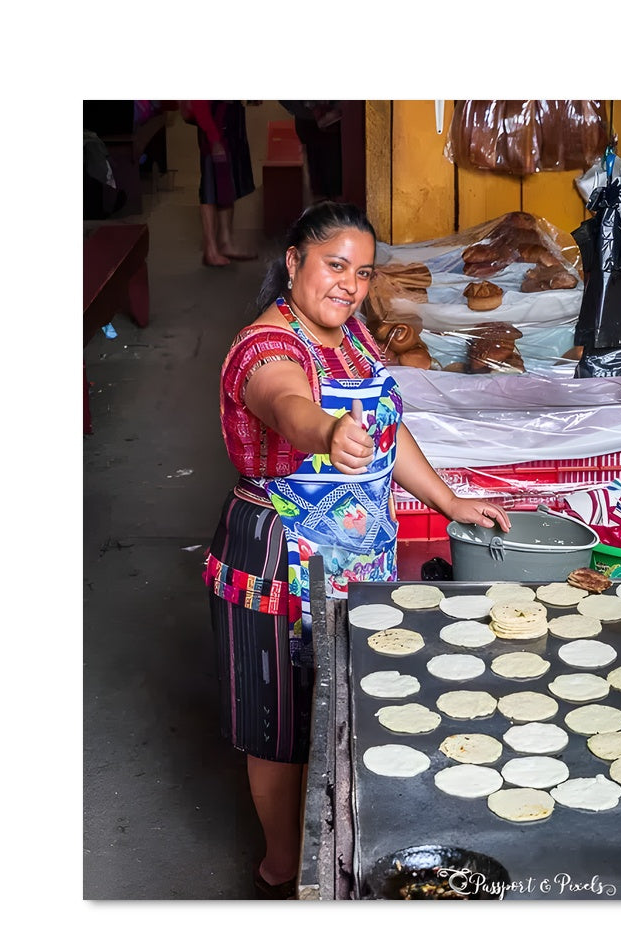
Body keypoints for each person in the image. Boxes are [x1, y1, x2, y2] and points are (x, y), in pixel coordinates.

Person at [203, 201, 511, 899]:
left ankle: (343, 851)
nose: (348, 284)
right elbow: (285, 403)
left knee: (349, 711)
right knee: (280, 725)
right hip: (280, 561)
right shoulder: (266, 345)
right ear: (293, 262)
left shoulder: (356, 340)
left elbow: (389, 432)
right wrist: (324, 432)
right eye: (334, 266)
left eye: (362, 272)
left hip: (360, 565)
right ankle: (286, 870)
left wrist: (450, 501)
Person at [181, 100, 257, 266]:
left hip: (228, 125)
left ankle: (226, 242)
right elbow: (199, 104)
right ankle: (210, 249)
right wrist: (213, 139)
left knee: (226, 184)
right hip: (214, 129)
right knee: (210, 186)